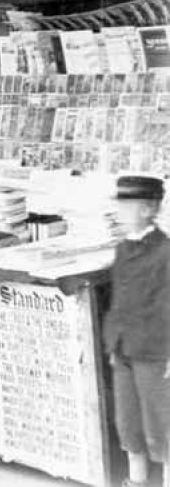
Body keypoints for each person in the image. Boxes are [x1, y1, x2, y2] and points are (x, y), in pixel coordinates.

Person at [103, 175, 170, 487]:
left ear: (147, 209)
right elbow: (118, 300)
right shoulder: (122, 249)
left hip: (155, 353)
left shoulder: (165, 252)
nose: (119, 212)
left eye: (126, 206)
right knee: (128, 425)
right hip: (124, 348)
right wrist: (113, 344)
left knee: (162, 427)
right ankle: (137, 481)